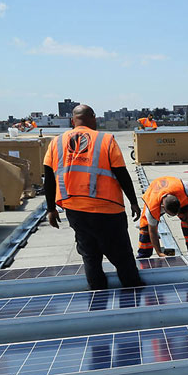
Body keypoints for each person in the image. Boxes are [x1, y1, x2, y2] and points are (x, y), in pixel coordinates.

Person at [43, 104, 144, 290]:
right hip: (108, 210)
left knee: (90, 257)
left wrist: (51, 209)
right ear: (93, 118)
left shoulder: (56, 142)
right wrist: (134, 202)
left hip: (75, 210)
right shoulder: (105, 140)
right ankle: (135, 296)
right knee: (122, 257)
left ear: (73, 121)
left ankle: (98, 295)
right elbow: (122, 174)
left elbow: (48, 179)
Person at [138, 176, 188, 257]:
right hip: (154, 191)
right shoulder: (152, 208)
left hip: (171, 185)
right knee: (146, 228)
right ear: (162, 207)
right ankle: (143, 255)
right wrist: (159, 253)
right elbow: (153, 231)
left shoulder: (183, 188)